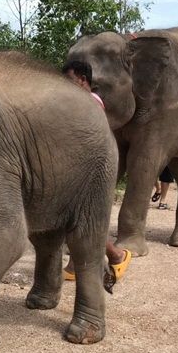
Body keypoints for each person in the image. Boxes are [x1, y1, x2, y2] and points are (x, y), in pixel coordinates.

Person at [61, 61, 132, 286]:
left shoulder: (91, 104)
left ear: (83, 79)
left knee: (84, 221)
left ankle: (116, 255)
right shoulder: (83, 103)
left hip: (89, 170)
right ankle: (78, 264)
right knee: (76, 220)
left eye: (70, 80)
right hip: (80, 168)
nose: (66, 85)